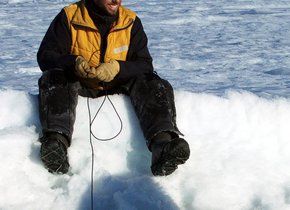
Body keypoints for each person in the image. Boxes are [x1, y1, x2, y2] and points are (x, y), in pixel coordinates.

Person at [36, 0, 189, 176]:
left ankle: (162, 146)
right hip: (77, 83)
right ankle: (56, 146)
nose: (116, 0)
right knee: (53, 77)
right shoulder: (69, 16)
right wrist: (73, 62)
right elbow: (45, 56)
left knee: (153, 82)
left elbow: (145, 64)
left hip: (117, 85)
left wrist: (117, 68)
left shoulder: (130, 21)